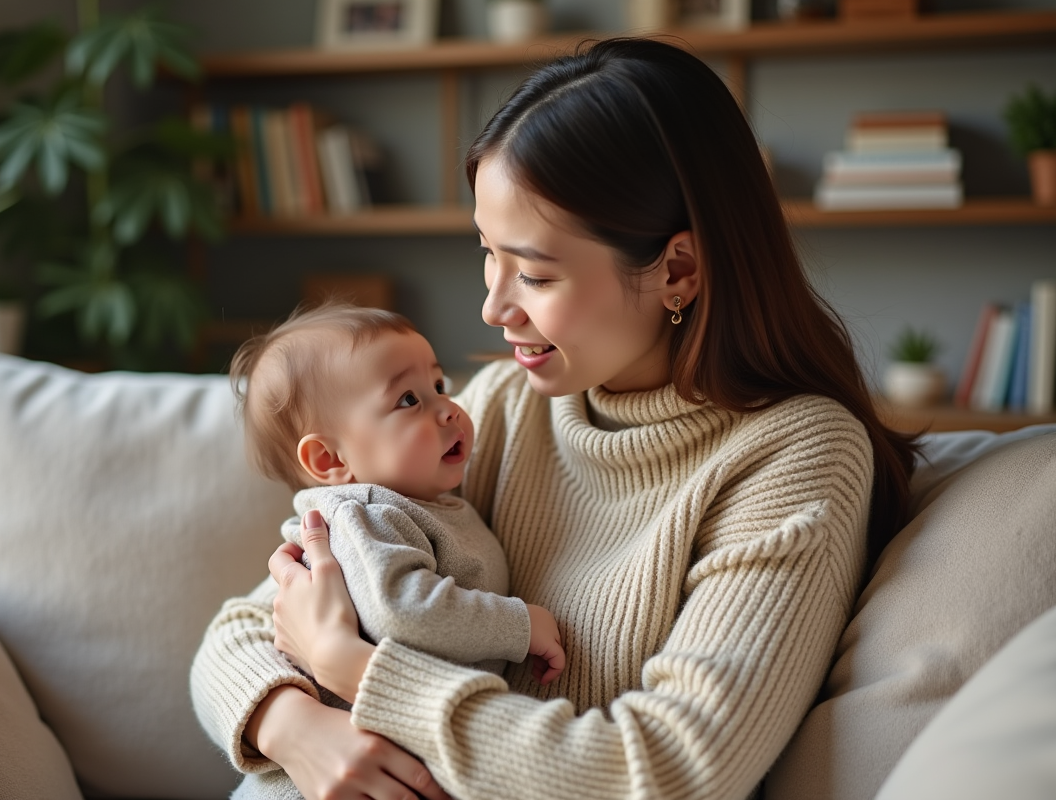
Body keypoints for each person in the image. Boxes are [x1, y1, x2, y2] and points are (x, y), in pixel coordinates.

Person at [191, 37, 919, 800]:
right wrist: (293, 728)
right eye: (488, 255)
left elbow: (670, 771)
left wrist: (354, 671)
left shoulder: (795, 454)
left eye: (534, 273)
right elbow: (241, 632)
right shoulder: (502, 406)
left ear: (677, 270)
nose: (493, 307)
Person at [214, 302, 566, 799]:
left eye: (439, 386)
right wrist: (520, 624)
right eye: (408, 399)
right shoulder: (366, 516)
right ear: (329, 459)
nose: (448, 407)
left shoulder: (415, 505)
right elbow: (403, 610)